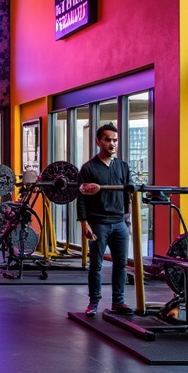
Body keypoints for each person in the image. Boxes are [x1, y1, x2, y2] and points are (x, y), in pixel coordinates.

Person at [76, 123, 133, 317]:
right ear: (98, 142)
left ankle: (118, 301)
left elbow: (128, 194)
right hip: (98, 223)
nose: (112, 144)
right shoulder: (89, 168)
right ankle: (94, 302)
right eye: (108, 140)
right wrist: (85, 223)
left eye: (115, 140)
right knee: (96, 264)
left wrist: (128, 220)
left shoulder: (123, 167)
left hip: (119, 223)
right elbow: (81, 198)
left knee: (121, 264)